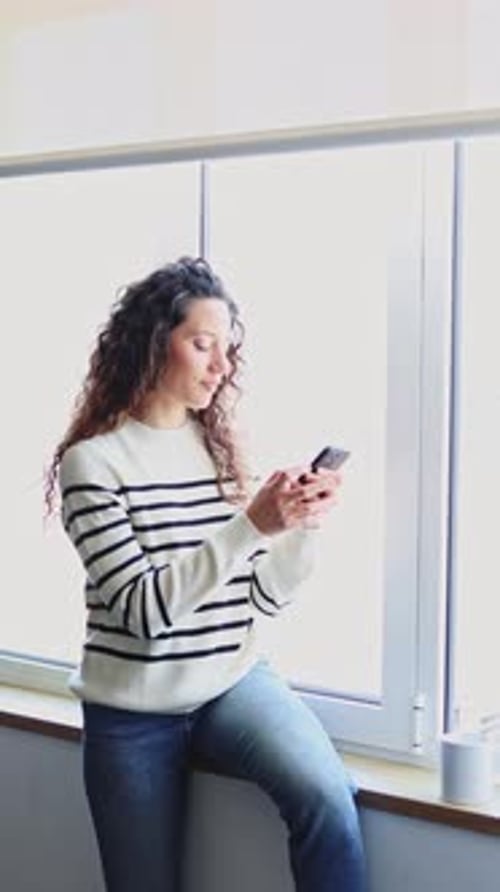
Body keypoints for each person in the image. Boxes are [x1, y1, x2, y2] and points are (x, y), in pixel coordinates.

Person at [45, 256, 366, 892]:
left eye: (228, 348)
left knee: (330, 801)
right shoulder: (93, 464)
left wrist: (299, 526)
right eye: (202, 344)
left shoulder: (218, 449)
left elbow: (260, 597)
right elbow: (144, 615)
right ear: (151, 343)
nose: (222, 366)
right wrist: (250, 525)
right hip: (133, 710)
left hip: (232, 681)